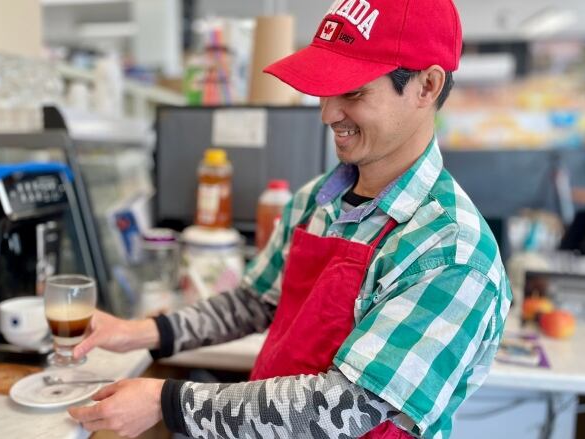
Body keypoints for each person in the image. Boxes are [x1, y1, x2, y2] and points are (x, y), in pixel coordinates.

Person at [67, 0, 512, 437]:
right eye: (325, 91)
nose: (328, 113)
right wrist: (138, 332)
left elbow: (344, 408)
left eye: (353, 92)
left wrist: (167, 402)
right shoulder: (314, 202)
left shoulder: (451, 251)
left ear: (427, 87)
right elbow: (255, 301)